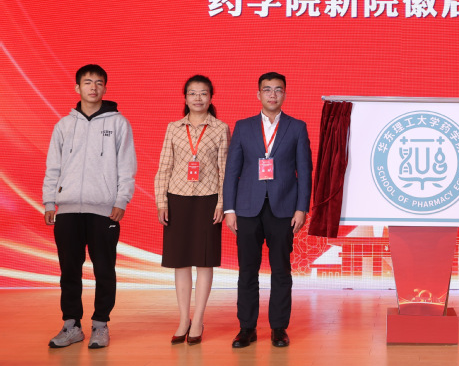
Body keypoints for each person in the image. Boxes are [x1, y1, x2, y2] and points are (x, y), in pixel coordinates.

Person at [42, 64, 137, 349]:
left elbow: (127, 166)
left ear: (105, 88)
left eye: (98, 82)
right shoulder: (64, 125)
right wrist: (49, 201)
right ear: (77, 88)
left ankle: (100, 325)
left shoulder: (118, 123)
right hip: (68, 209)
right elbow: (53, 166)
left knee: (104, 270)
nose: (93, 87)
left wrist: (121, 200)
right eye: (87, 82)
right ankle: (71, 325)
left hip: (104, 209)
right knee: (69, 270)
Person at [223, 72, 312, 348]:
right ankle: (246, 328)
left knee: (281, 270)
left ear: (285, 94)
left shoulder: (297, 127)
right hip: (247, 208)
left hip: (283, 208)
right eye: (267, 89)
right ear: (258, 94)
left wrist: (301, 209)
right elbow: (232, 171)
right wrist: (229, 208)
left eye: (278, 90)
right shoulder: (243, 126)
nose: (273, 94)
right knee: (247, 270)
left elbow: (305, 172)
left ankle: (279, 328)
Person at [154, 75, 230, 345]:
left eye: (203, 93)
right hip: (177, 199)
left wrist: (222, 203)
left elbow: (225, 170)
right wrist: (162, 202)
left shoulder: (221, 128)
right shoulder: (174, 128)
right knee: (181, 261)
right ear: (185, 98)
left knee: (205, 260)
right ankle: (183, 319)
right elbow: (164, 167)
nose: (198, 98)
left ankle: (198, 319)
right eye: (192, 93)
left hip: (209, 201)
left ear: (211, 97)